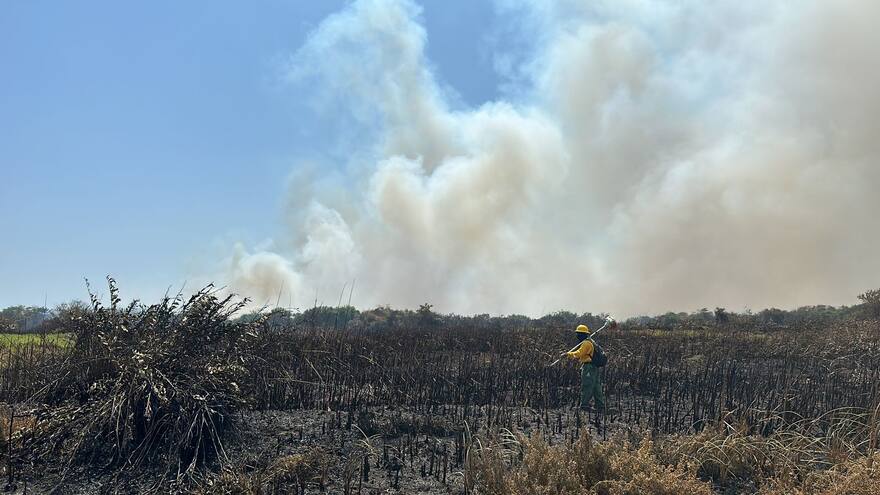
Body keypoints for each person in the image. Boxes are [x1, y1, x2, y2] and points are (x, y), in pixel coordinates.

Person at [563, 324, 606, 413]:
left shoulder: (586, 343)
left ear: (582, 334)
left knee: (587, 385)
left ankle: (584, 405)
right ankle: (600, 405)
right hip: (594, 367)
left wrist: (568, 354)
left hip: (589, 367)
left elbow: (579, 353)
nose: (577, 336)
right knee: (596, 387)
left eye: (579, 334)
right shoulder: (591, 341)